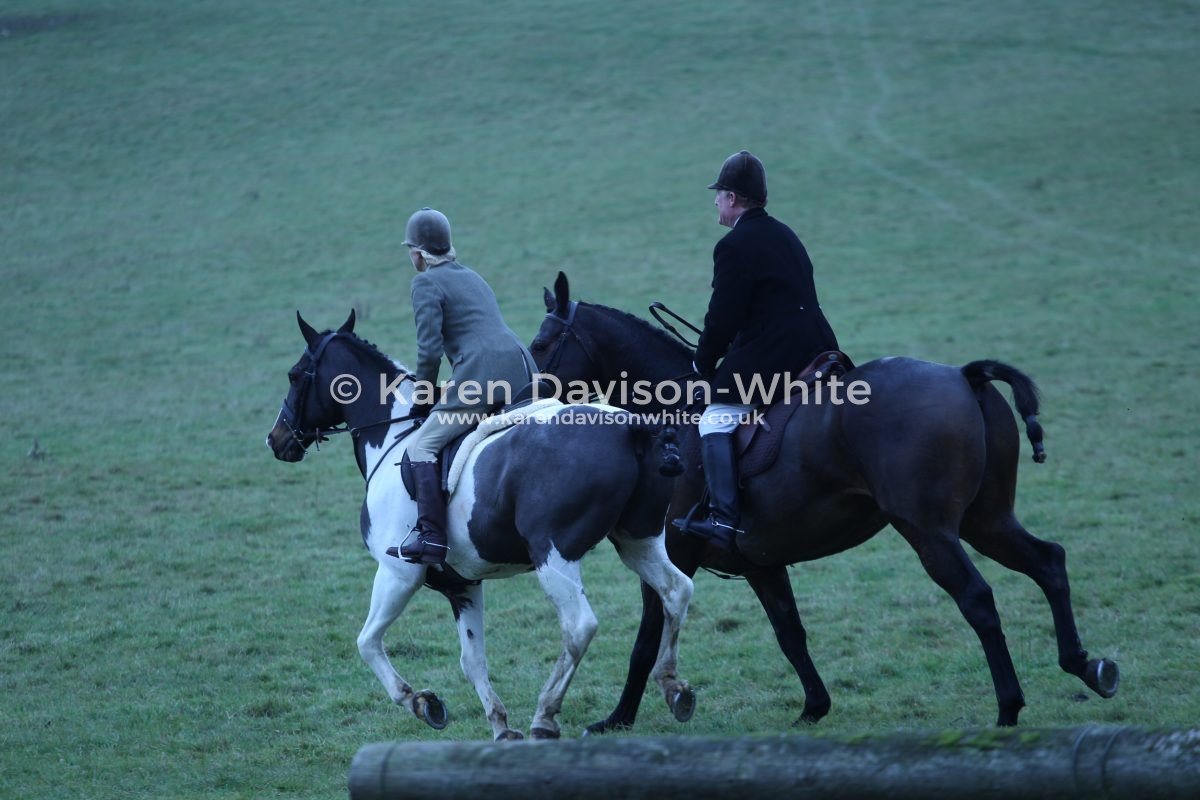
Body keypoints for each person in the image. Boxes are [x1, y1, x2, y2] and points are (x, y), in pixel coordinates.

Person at [674, 151, 840, 551]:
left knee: (714, 420)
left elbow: (723, 317)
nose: (715, 202)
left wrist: (702, 360)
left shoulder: (734, 245)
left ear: (732, 198)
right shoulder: (785, 233)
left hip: (776, 353)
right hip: (817, 345)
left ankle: (724, 521)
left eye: (718, 195)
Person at [394, 208, 536, 566]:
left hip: (482, 376)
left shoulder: (425, 283)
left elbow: (429, 351)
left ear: (417, 253)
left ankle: (432, 537)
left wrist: (423, 397)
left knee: (422, 445)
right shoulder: (472, 275)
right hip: (523, 366)